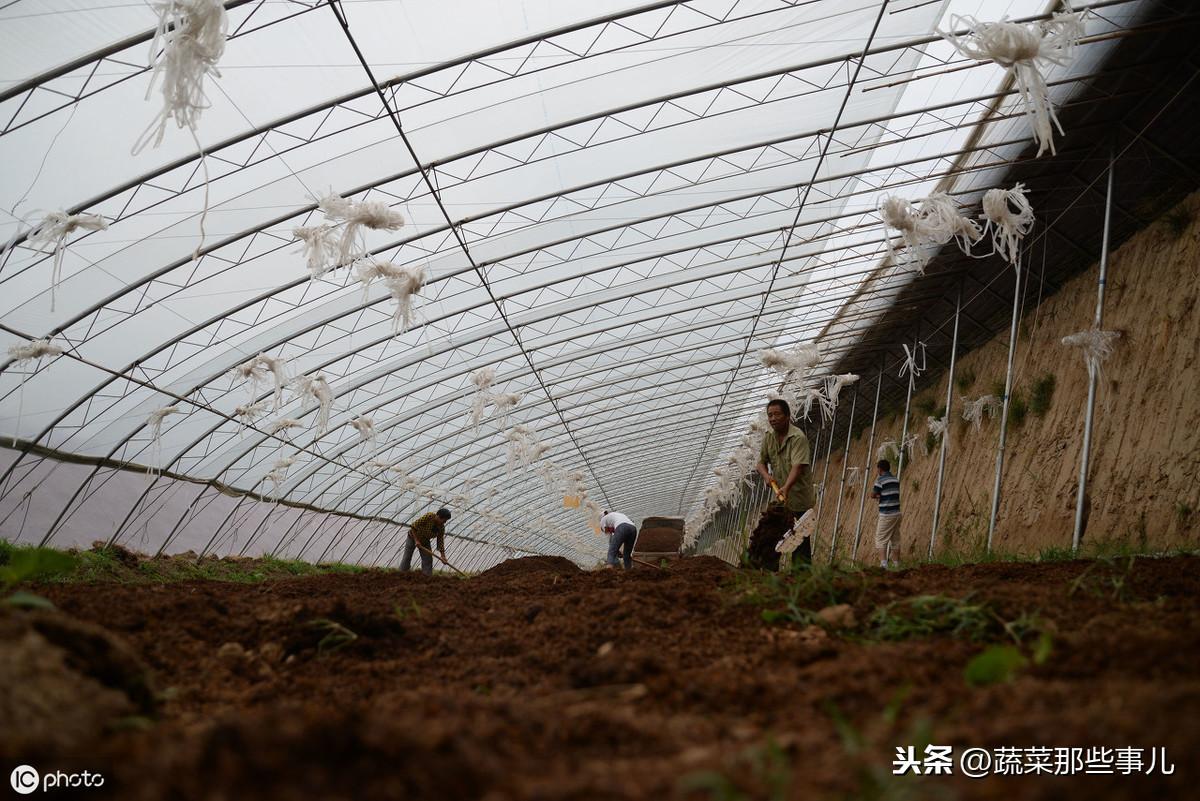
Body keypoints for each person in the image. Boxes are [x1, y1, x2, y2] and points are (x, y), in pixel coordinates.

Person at [748, 398, 812, 570]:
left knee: (799, 541)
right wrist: (766, 476)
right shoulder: (769, 437)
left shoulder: (798, 438)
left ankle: (803, 578)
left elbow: (798, 467)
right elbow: (760, 462)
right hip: (781, 499)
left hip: (798, 499)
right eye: (770, 415)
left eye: (777, 414)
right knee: (772, 538)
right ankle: (769, 573)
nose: (773, 418)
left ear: (787, 416)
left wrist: (787, 487)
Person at [870, 460, 902, 568]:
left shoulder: (880, 480)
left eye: (877, 469)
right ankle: (896, 564)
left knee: (880, 539)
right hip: (897, 514)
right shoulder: (895, 480)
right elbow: (891, 494)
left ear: (880, 469)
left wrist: (878, 496)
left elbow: (873, 494)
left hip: (886, 514)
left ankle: (884, 564)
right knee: (895, 539)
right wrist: (882, 496)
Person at [401, 507, 450, 575]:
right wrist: (416, 540)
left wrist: (443, 556)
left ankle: (427, 577)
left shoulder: (441, 527)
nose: (444, 522)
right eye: (444, 520)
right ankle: (402, 574)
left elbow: (440, 541)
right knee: (407, 557)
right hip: (412, 537)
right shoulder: (429, 516)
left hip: (425, 541)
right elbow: (413, 526)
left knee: (428, 559)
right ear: (438, 516)